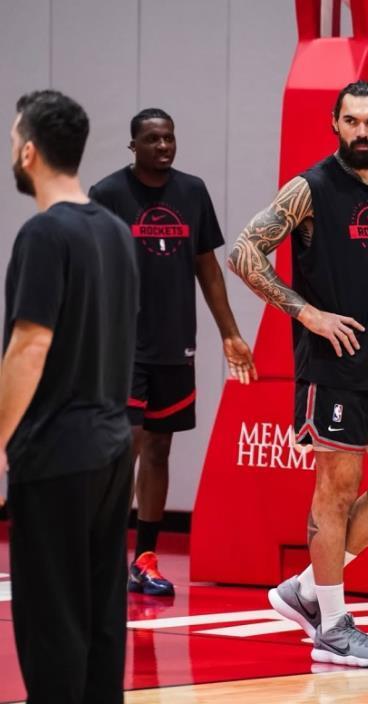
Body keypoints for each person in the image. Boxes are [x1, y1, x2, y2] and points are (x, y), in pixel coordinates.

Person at [229, 80, 368, 667]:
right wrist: (307, 313)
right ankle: (333, 625)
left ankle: (307, 589)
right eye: (351, 121)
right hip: (333, 367)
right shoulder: (309, 188)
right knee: (335, 492)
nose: (361, 131)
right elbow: (243, 252)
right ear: (334, 123)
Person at [3, 90, 138, 703]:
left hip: (56, 452)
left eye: (13, 140)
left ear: (29, 151)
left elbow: (29, 346)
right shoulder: (116, 232)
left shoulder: (43, 234)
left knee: (52, 622)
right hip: (112, 451)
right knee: (102, 619)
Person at [90, 109, 256, 595]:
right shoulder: (107, 194)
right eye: (152, 139)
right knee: (125, 446)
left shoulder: (192, 192)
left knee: (159, 448)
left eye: (169, 138)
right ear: (133, 146)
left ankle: (145, 560)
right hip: (123, 348)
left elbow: (207, 267)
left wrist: (230, 333)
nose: (163, 146)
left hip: (175, 345)